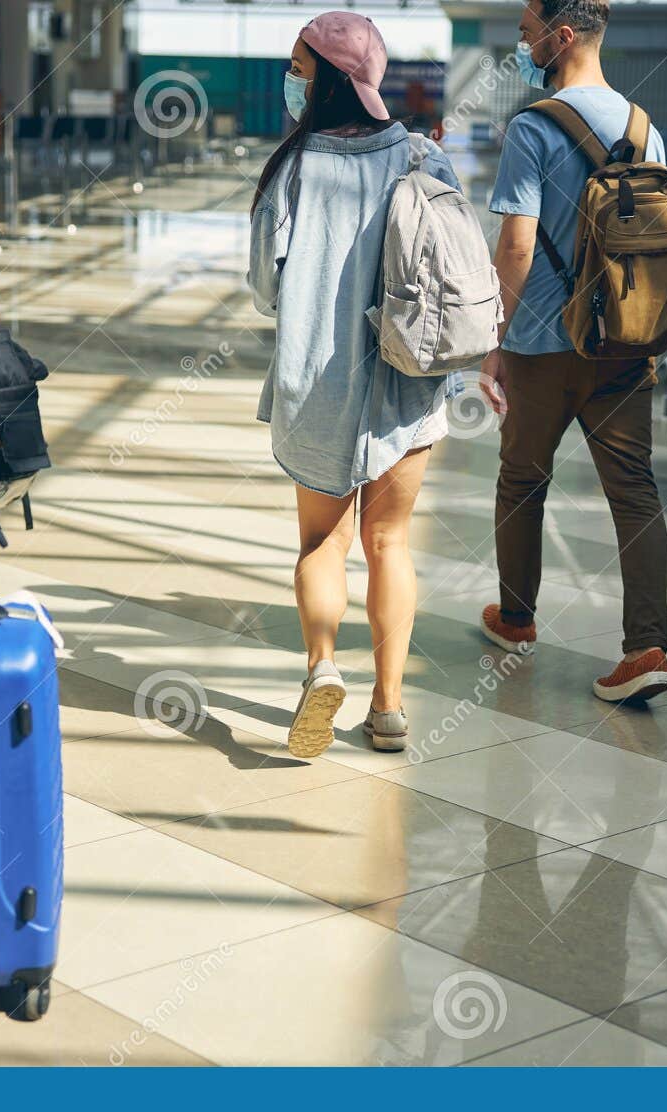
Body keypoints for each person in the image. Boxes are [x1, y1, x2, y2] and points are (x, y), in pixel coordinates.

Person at [248, 12, 462, 758]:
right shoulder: (424, 157)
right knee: (389, 541)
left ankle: (321, 668)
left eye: (300, 67)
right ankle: (391, 707)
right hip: (408, 381)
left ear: (329, 78)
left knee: (321, 543)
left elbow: (265, 291)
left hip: (318, 384)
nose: (293, 80)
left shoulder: (294, 165)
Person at [478, 0, 667, 704]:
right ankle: (646, 647)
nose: (522, 39)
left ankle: (517, 618)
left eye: (529, 30)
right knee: (636, 493)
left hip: (543, 343)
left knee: (522, 480)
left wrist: (493, 342)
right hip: (626, 341)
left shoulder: (533, 128)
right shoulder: (646, 131)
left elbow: (518, 245)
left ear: (563, 37)